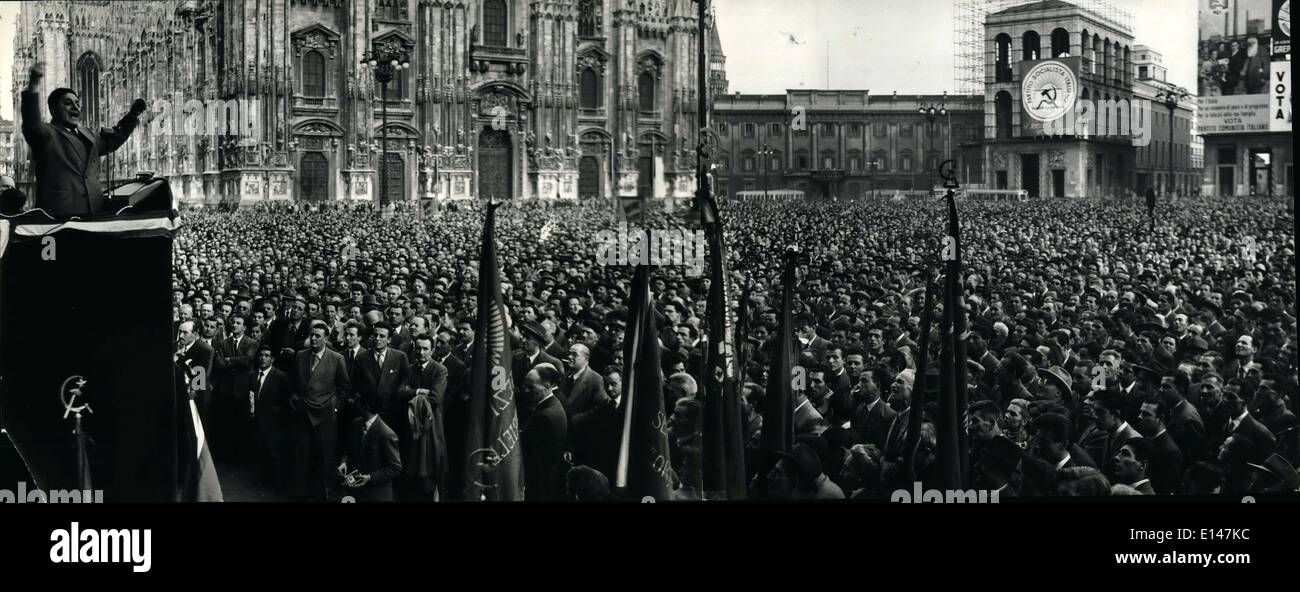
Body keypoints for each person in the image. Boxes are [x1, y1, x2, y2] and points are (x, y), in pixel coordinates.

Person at [20, 62, 144, 217]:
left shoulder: (88, 134)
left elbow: (115, 139)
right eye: (67, 103)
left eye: (78, 104)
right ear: (53, 110)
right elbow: (31, 123)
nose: (75, 107)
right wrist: (34, 85)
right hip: (60, 216)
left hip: (94, 212)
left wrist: (133, 115)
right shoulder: (47, 133)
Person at [291, 322, 351, 501]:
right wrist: (294, 398)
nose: (314, 339)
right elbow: (294, 382)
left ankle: (326, 495)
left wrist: (334, 407)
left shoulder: (336, 358)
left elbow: (344, 387)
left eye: (318, 336)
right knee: (302, 456)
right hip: (304, 413)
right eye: (312, 335)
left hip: (325, 415)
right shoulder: (301, 356)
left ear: (326, 338)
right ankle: (301, 494)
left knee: (325, 456)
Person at [337, 392, 403, 502]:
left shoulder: (386, 434)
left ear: (366, 407)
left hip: (376, 494)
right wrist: (344, 462)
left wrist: (369, 478)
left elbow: (395, 468)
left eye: (356, 401)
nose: (352, 402)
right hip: (356, 491)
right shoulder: (356, 424)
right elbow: (349, 450)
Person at [520, 364, 569, 502]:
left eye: (531, 387)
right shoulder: (553, 404)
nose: (526, 390)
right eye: (525, 385)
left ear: (547, 387)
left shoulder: (545, 415)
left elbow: (527, 447)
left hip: (538, 481)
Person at [250, 344, 291, 496]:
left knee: (274, 453)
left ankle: (277, 484)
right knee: (259, 450)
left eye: (267, 355)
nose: (263, 358)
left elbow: (286, 401)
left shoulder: (280, 376)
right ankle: (260, 479)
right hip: (257, 420)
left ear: (272, 359)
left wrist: (277, 413)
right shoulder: (253, 375)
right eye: (261, 355)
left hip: (274, 422)